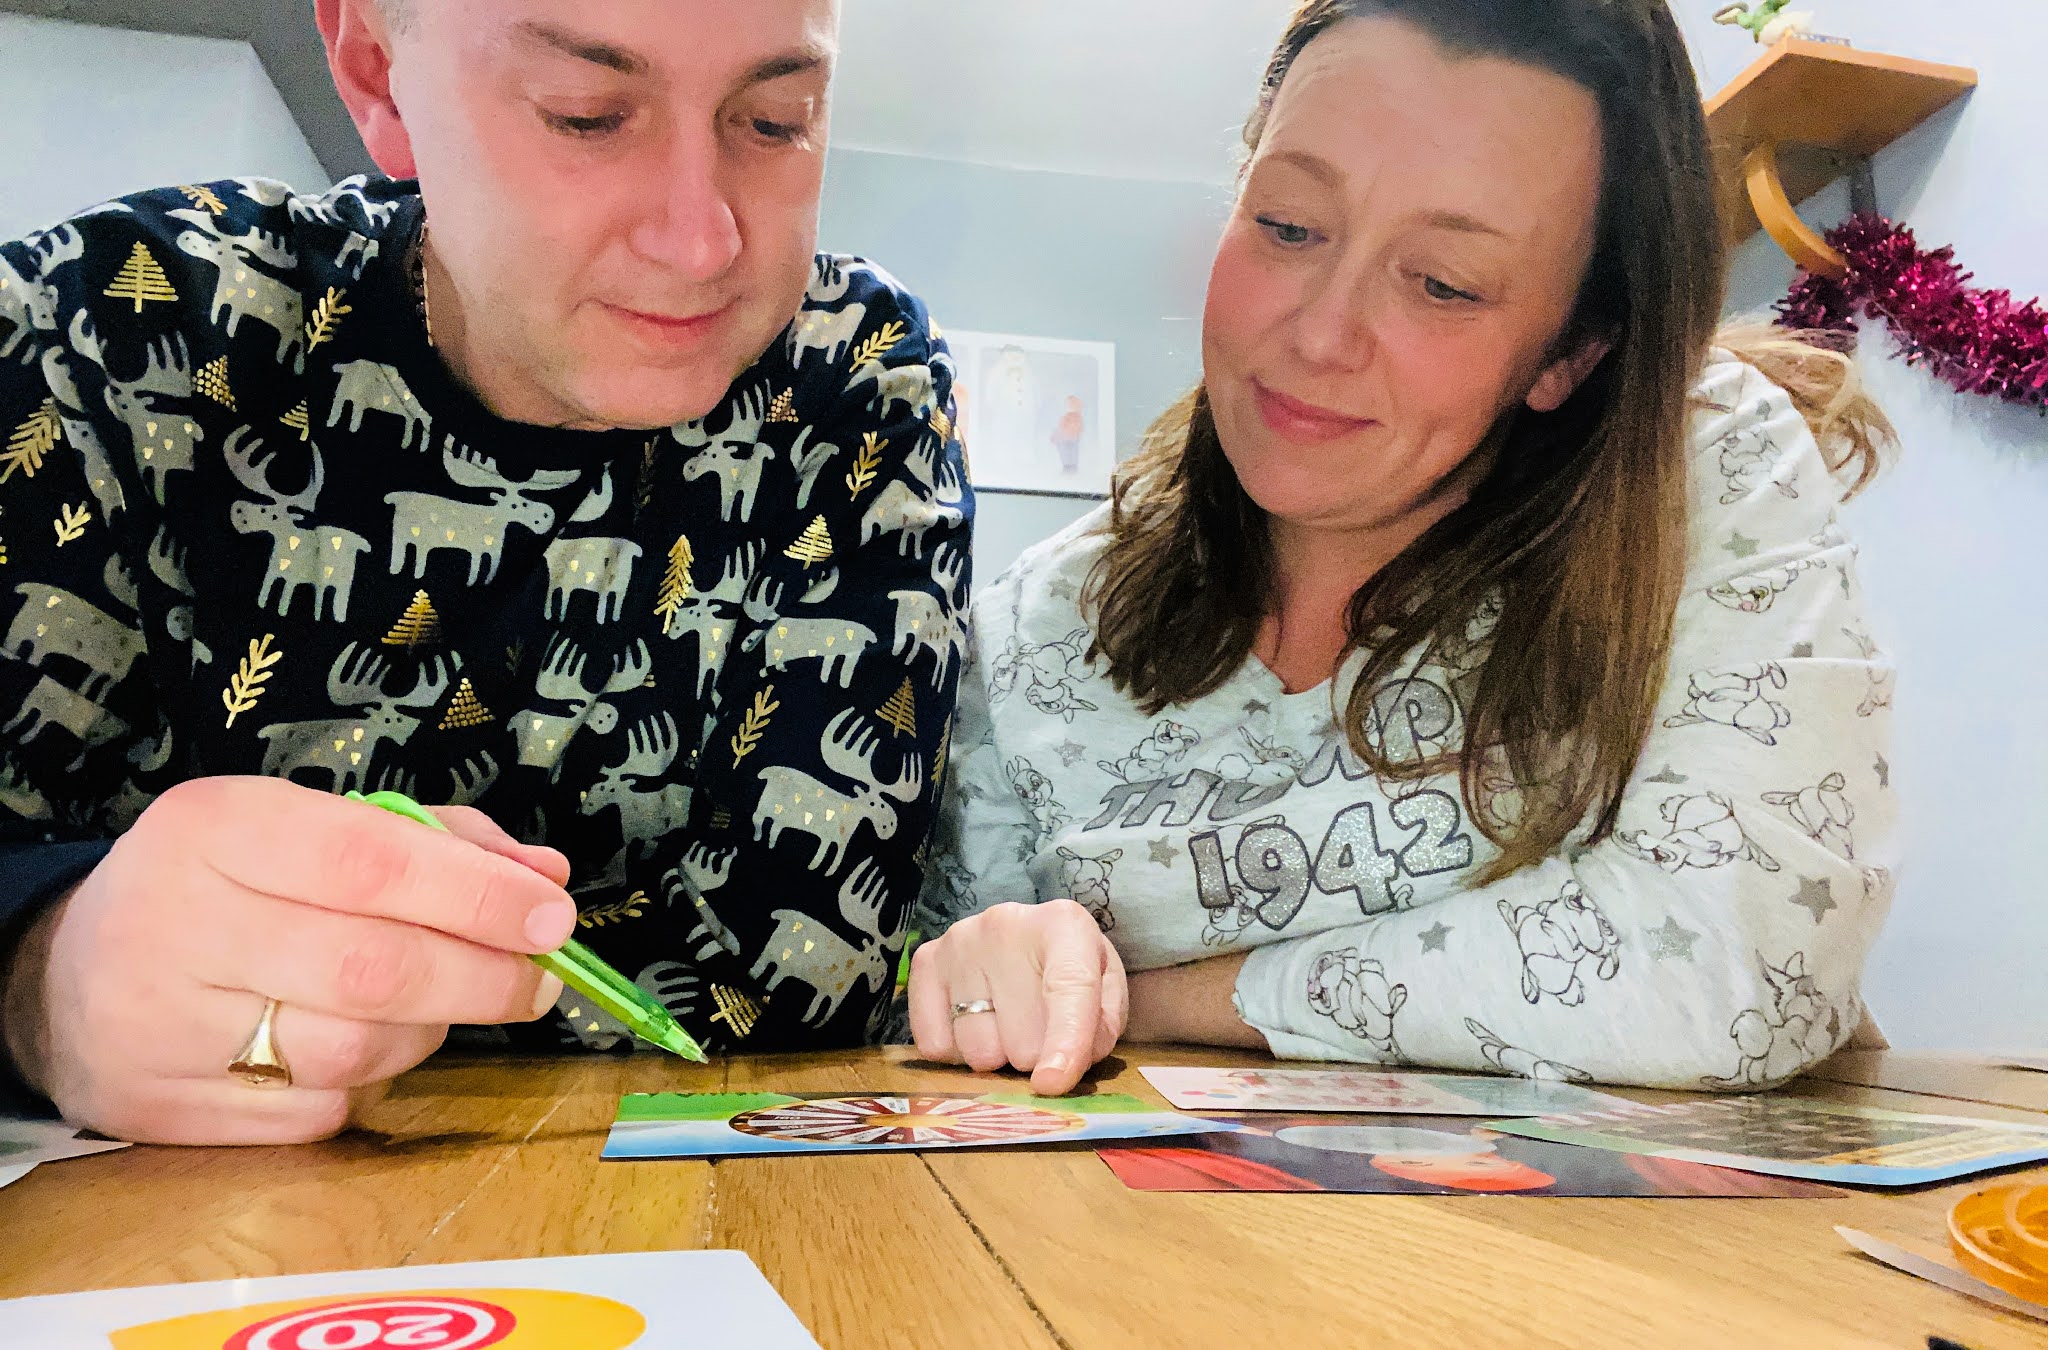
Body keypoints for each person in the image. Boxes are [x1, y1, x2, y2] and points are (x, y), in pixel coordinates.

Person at [0, 0, 969, 1145]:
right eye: (588, 115)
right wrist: (41, 979)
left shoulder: (855, 379)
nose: (700, 242)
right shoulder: (101, 331)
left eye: (774, 122)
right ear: (373, 67)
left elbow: (803, 976)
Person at [908, 0, 1895, 1096]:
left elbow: (1736, 972)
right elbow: (970, 1003)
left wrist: (1148, 998)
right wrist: (980, 972)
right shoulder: (1027, 630)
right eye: (1285, 224)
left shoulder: (1696, 465)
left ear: (1568, 350)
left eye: (1441, 284)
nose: (1318, 335)